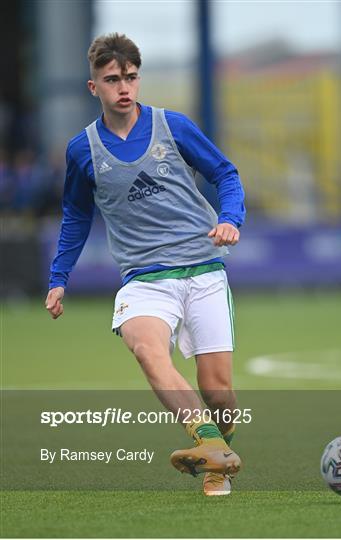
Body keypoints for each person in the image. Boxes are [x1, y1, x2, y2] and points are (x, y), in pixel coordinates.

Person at [45, 33, 246, 497]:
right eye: (112, 79)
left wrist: (230, 219)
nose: (124, 88)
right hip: (144, 281)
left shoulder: (172, 126)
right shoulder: (81, 150)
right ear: (93, 87)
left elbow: (225, 174)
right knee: (147, 350)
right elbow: (76, 214)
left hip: (203, 271)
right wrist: (58, 279)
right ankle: (210, 446)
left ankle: (218, 458)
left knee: (219, 394)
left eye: (131, 77)